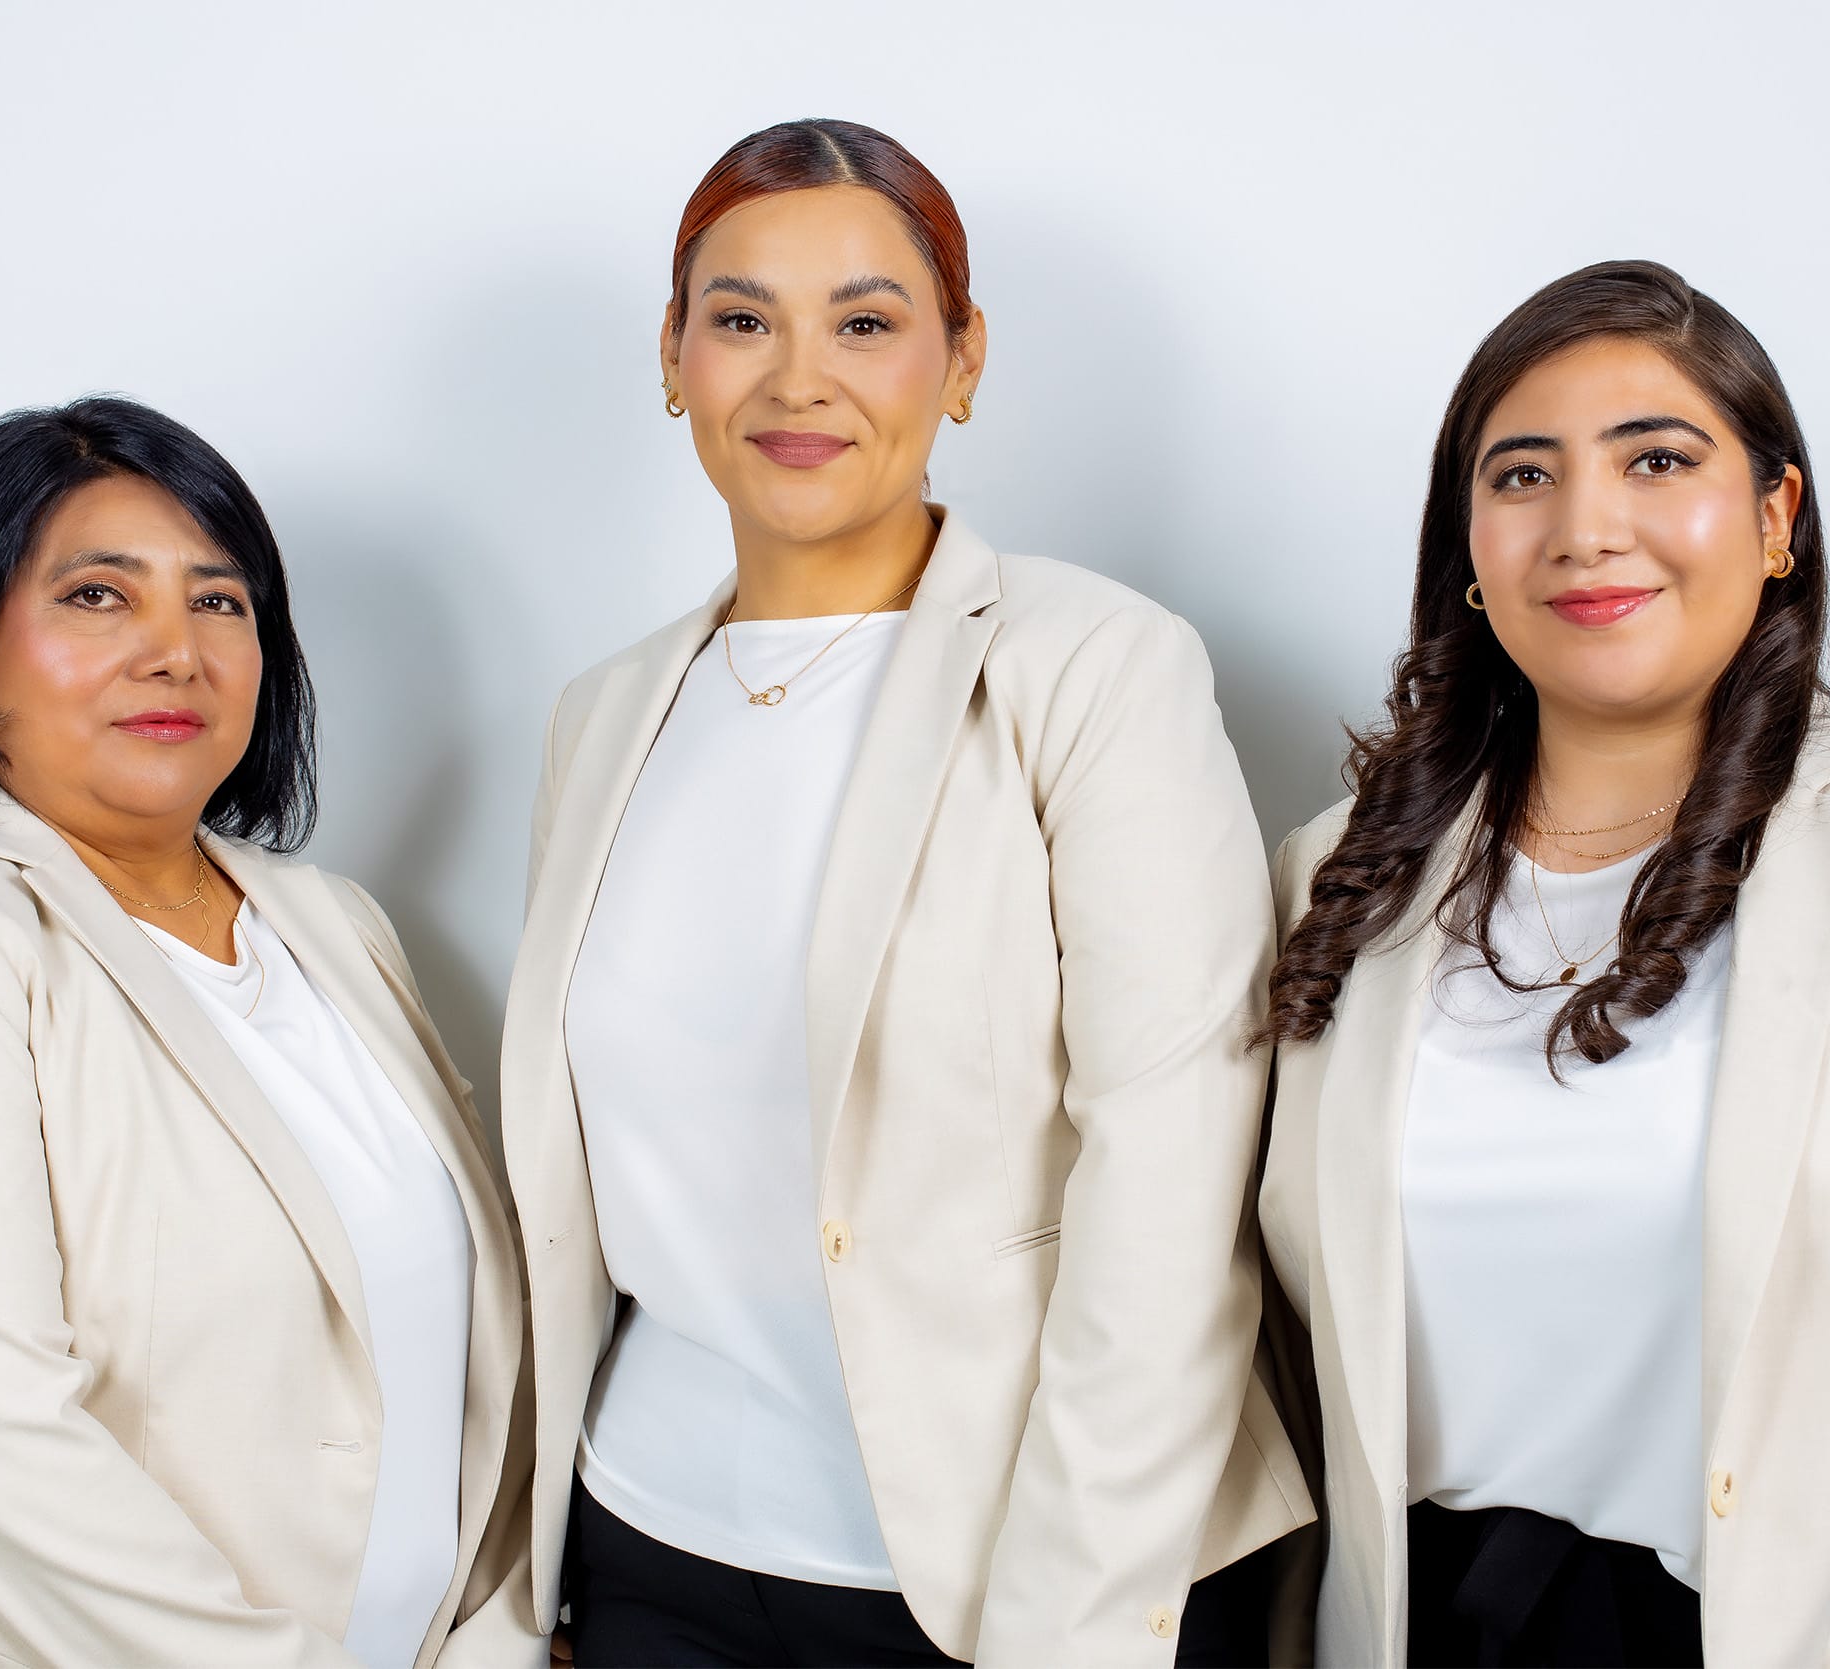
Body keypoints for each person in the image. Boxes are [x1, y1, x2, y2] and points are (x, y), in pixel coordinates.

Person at [500, 118, 1312, 1669]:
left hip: (1010, 1570)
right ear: (673, 355)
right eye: (741, 319)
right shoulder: (602, 715)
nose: (798, 377)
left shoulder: (1096, 669)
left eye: (866, 323)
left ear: (962, 360)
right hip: (651, 1544)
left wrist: (1066, 1628)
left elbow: (1170, 1174)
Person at [0, 398, 534, 1669]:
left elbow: (483, 1359)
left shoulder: (335, 926)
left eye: (220, 602)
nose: (174, 651)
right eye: (97, 598)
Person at [1257, 260, 1830, 1666]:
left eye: (1657, 460)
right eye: (1524, 475)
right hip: (1408, 1617)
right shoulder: (1338, 875)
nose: (1587, 527)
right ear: (1468, 539)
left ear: (1775, 517)